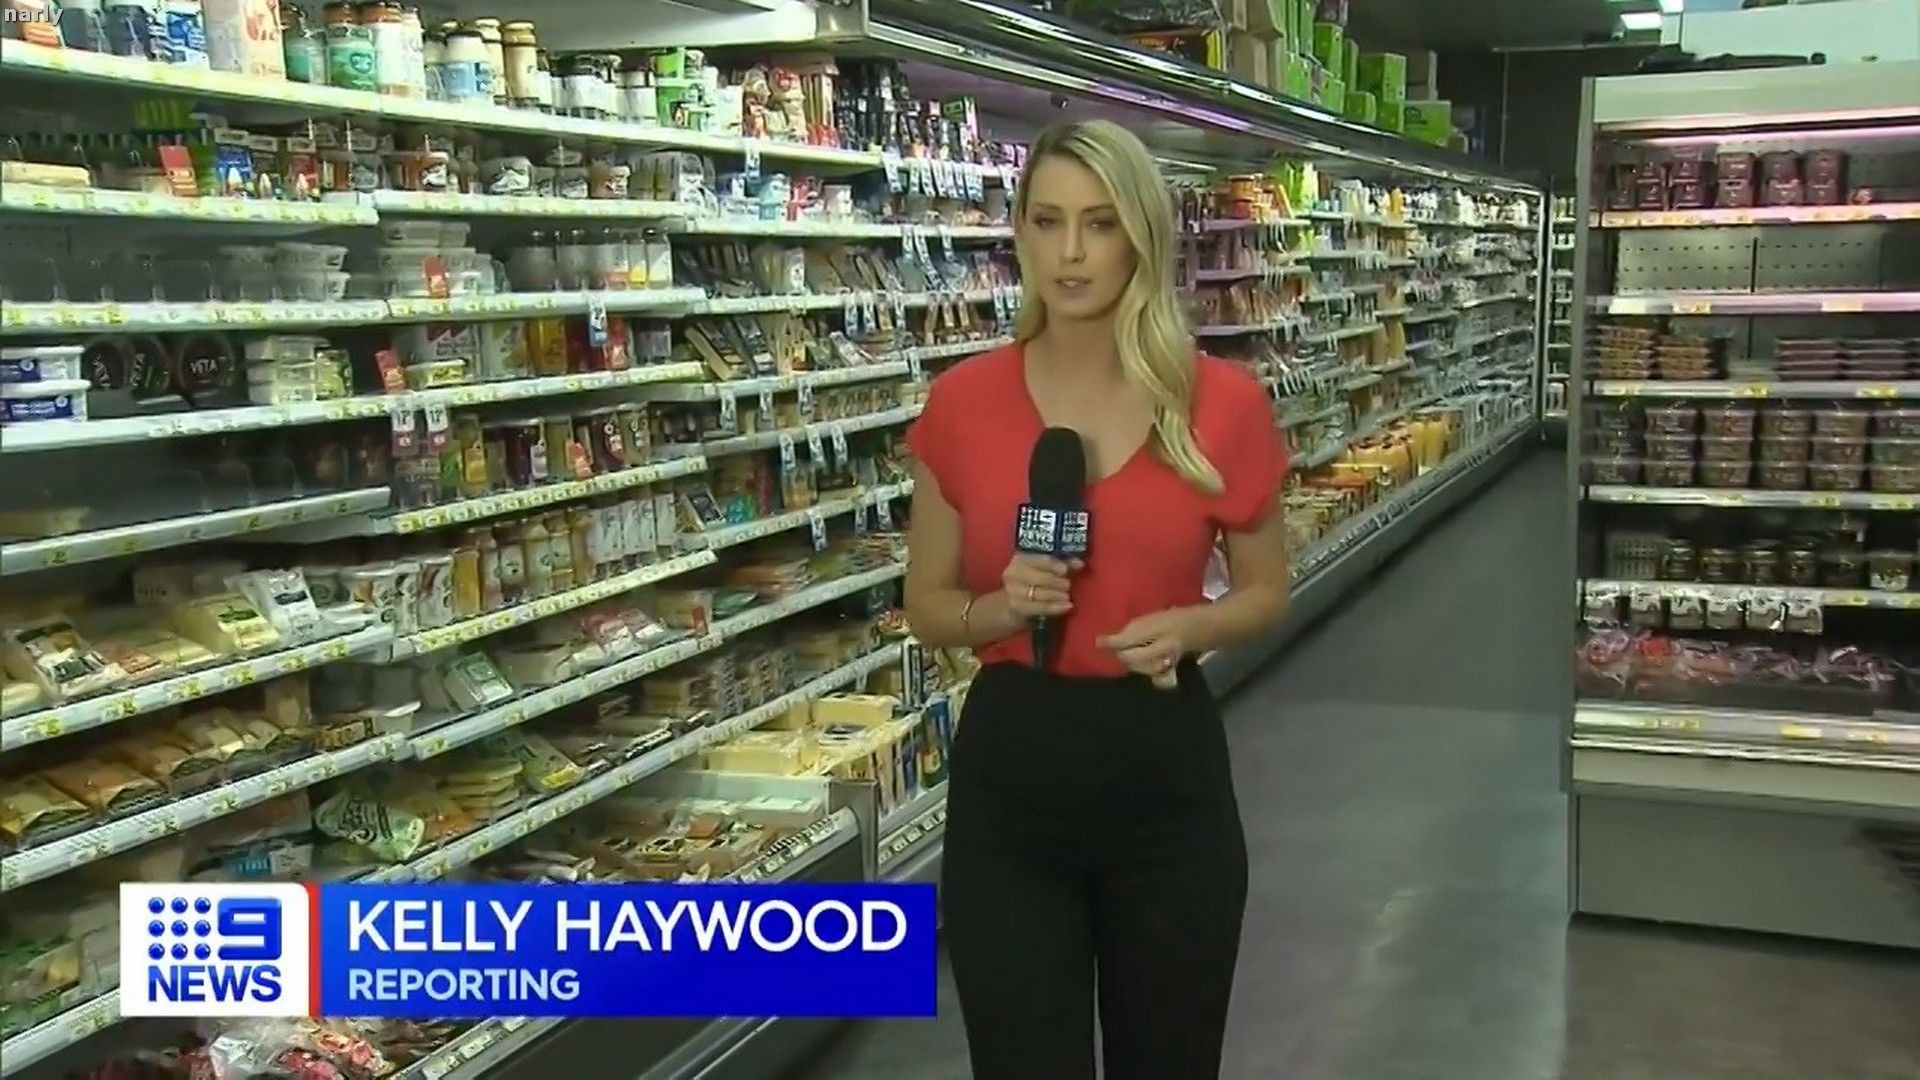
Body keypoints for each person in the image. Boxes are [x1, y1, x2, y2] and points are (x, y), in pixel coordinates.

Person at [901, 118, 1293, 1078]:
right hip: (1012, 786)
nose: (1071, 252)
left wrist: (1193, 626)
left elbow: (1266, 593)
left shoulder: (1222, 405)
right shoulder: (963, 405)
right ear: (1020, 233)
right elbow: (928, 605)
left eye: (1100, 223)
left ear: (1141, 236)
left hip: (1165, 781)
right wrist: (1002, 610)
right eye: (1047, 222)